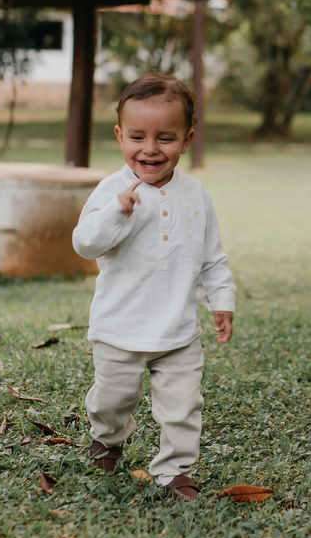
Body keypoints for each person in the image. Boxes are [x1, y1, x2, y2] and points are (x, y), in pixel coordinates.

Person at [71, 72, 235, 501]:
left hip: (178, 330)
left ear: (186, 140)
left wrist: (222, 300)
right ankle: (107, 439)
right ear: (119, 136)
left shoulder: (196, 195)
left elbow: (211, 256)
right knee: (111, 400)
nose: (150, 149)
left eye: (165, 138)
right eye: (137, 137)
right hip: (119, 328)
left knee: (183, 405)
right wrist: (117, 212)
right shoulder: (111, 191)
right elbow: (85, 244)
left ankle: (175, 470)